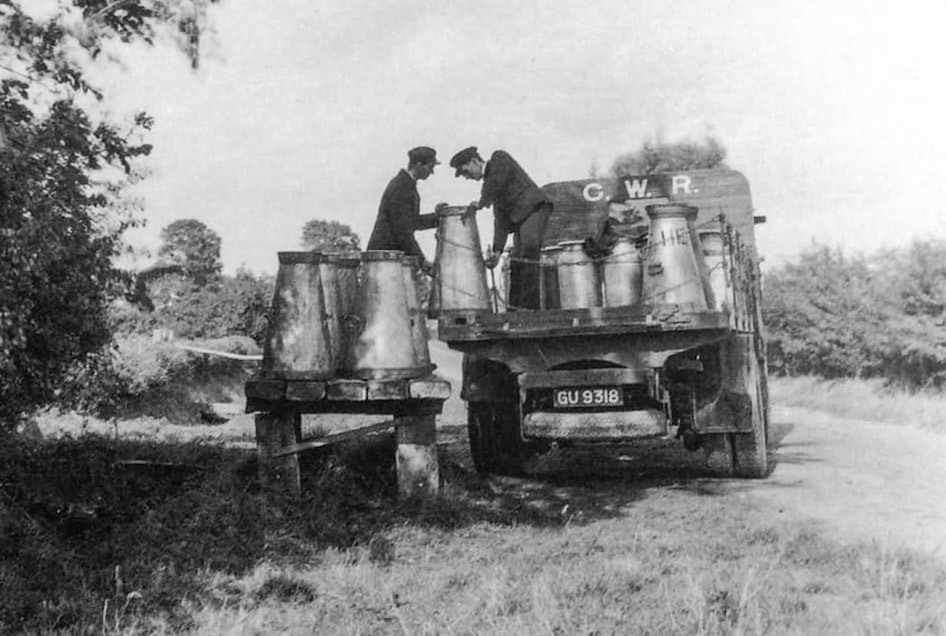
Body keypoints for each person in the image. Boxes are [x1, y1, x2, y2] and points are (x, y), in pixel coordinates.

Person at [449, 146, 553, 310]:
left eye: (465, 172)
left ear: (474, 161)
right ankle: (515, 310)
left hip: (535, 209)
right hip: (521, 219)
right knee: (516, 261)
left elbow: (496, 181)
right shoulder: (491, 186)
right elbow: (500, 222)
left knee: (528, 252)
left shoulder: (499, 159)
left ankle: (530, 312)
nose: (466, 177)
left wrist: (481, 203)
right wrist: (497, 252)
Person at [367, 146, 444, 274]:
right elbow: (402, 231)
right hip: (384, 260)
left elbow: (410, 222)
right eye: (431, 167)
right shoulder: (401, 187)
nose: (432, 172)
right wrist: (422, 261)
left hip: (389, 259)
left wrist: (437, 217)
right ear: (419, 165)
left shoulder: (407, 185)